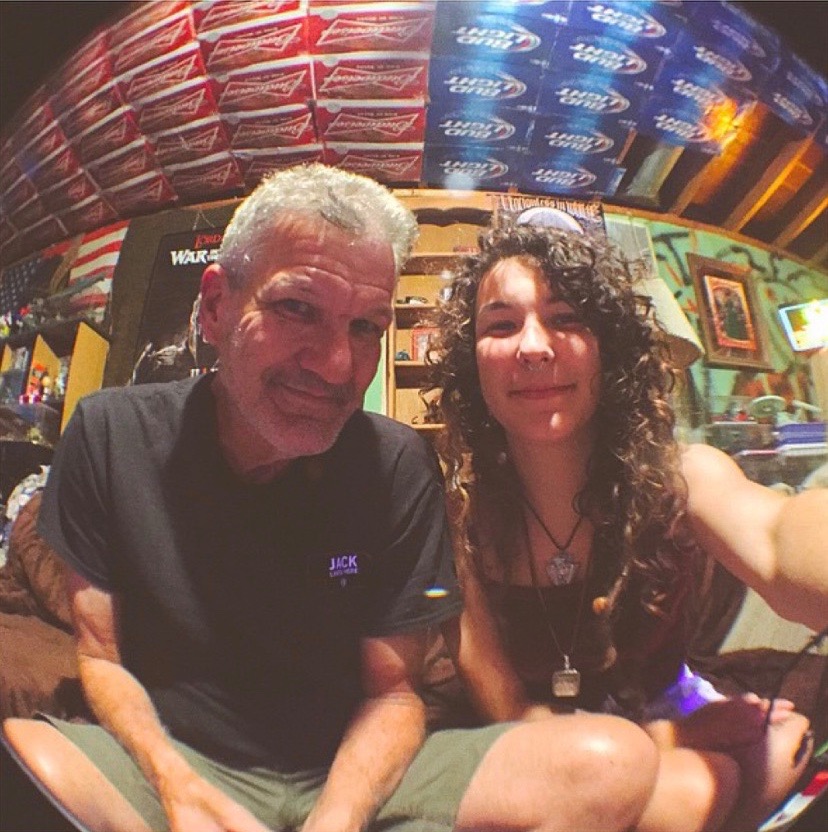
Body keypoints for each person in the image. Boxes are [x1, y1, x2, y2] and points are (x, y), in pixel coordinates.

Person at [2, 166, 662, 832]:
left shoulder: (397, 465)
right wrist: (178, 787)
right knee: (32, 757)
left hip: (357, 773)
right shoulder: (108, 433)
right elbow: (101, 656)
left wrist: (337, 820)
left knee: (614, 761)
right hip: (180, 760)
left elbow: (393, 694)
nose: (337, 365)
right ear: (216, 306)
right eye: (297, 309)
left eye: (366, 328)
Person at [426, 224, 827, 832]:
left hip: (655, 712)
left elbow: (778, 537)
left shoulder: (683, 476)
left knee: (781, 746)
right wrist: (669, 738)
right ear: (469, 363)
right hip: (533, 744)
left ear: (608, 347)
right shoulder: (456, 517)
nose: (533, 346)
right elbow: (509, 713)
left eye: (565, 318)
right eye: (501, 325)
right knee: (692, 790)